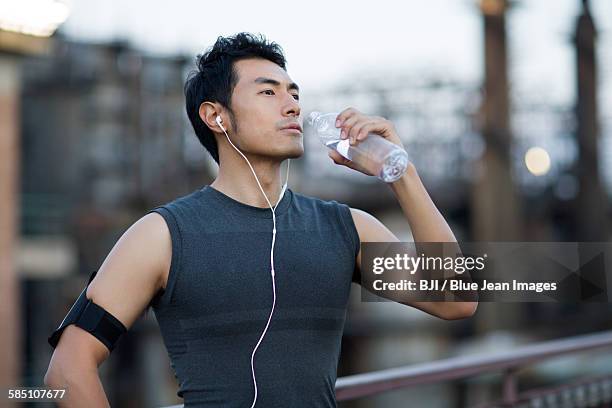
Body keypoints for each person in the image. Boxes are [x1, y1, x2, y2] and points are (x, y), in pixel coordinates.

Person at [44, 32, 477, 407]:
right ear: (216, 116)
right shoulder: (162, 236)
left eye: (294, 93)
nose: (291, 106)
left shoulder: (346, 227)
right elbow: (67, 370)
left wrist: (401, 172)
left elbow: (457, 299)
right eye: (268, 92)